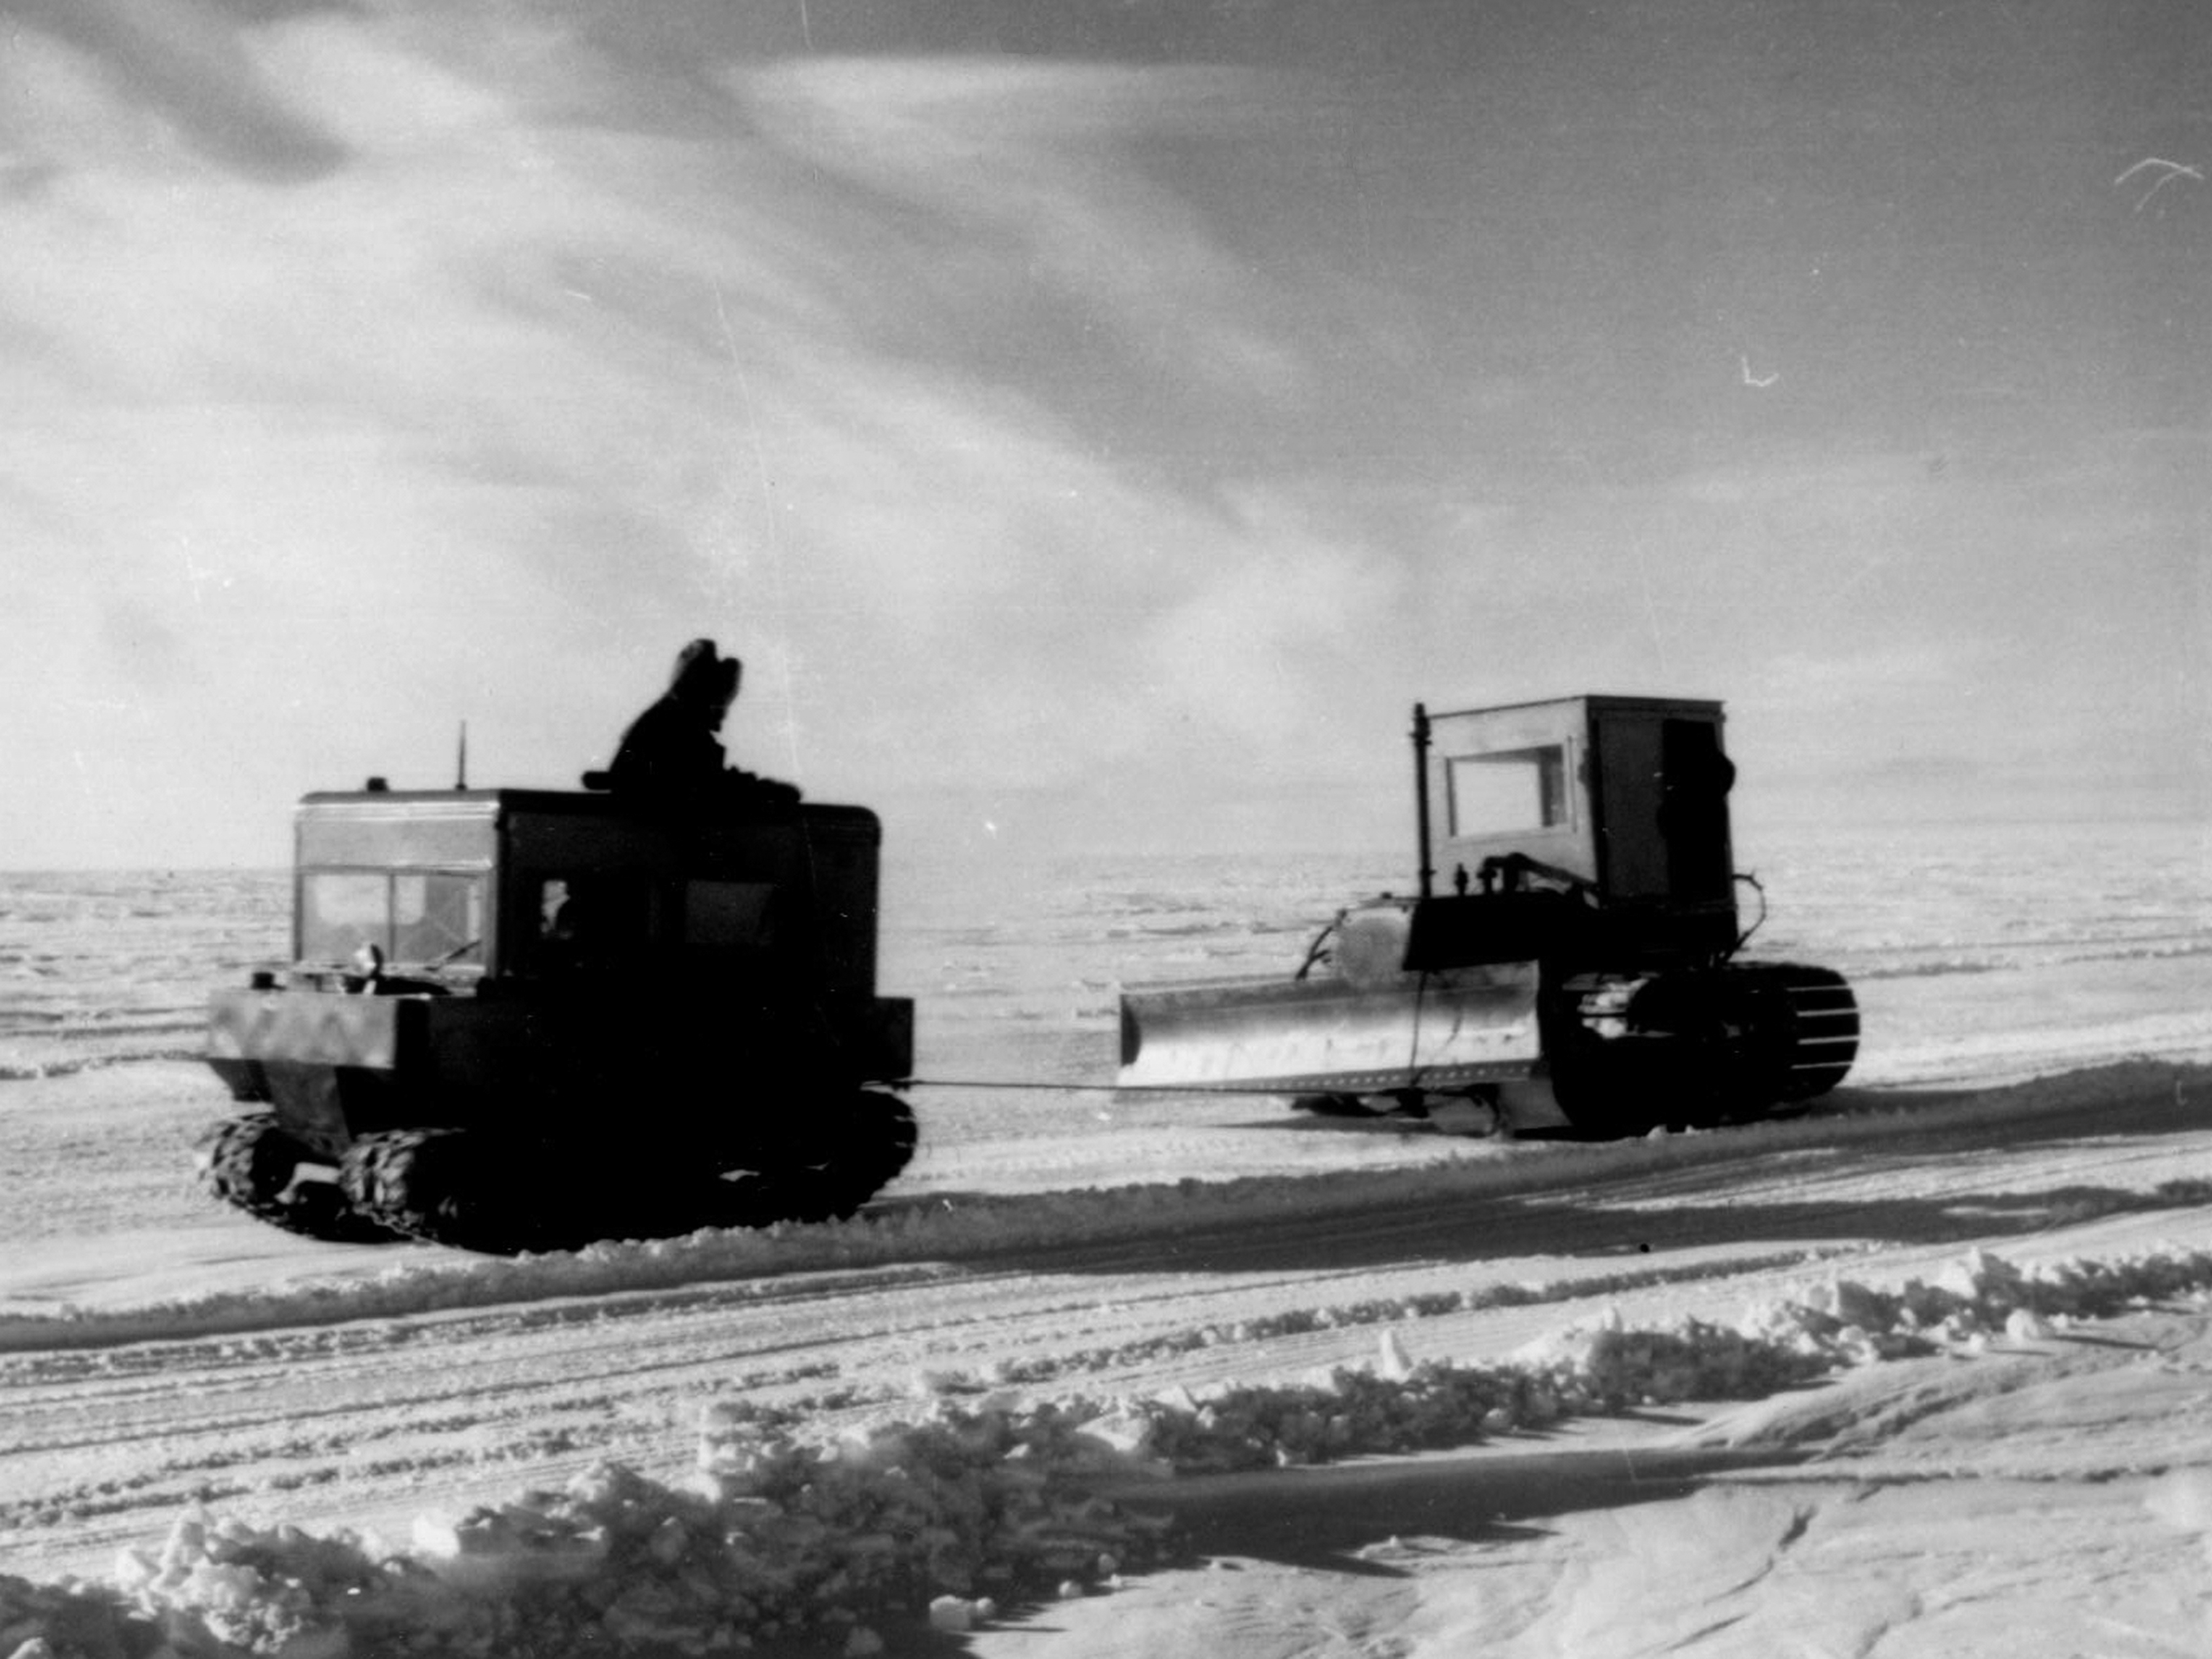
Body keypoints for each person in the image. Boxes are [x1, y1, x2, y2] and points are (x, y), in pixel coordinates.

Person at [602, 638, 801, 810]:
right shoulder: (677, 727)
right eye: (720, 698)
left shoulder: (668, 721)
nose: (722, 710)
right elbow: (709, 783)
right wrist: (766, 791)